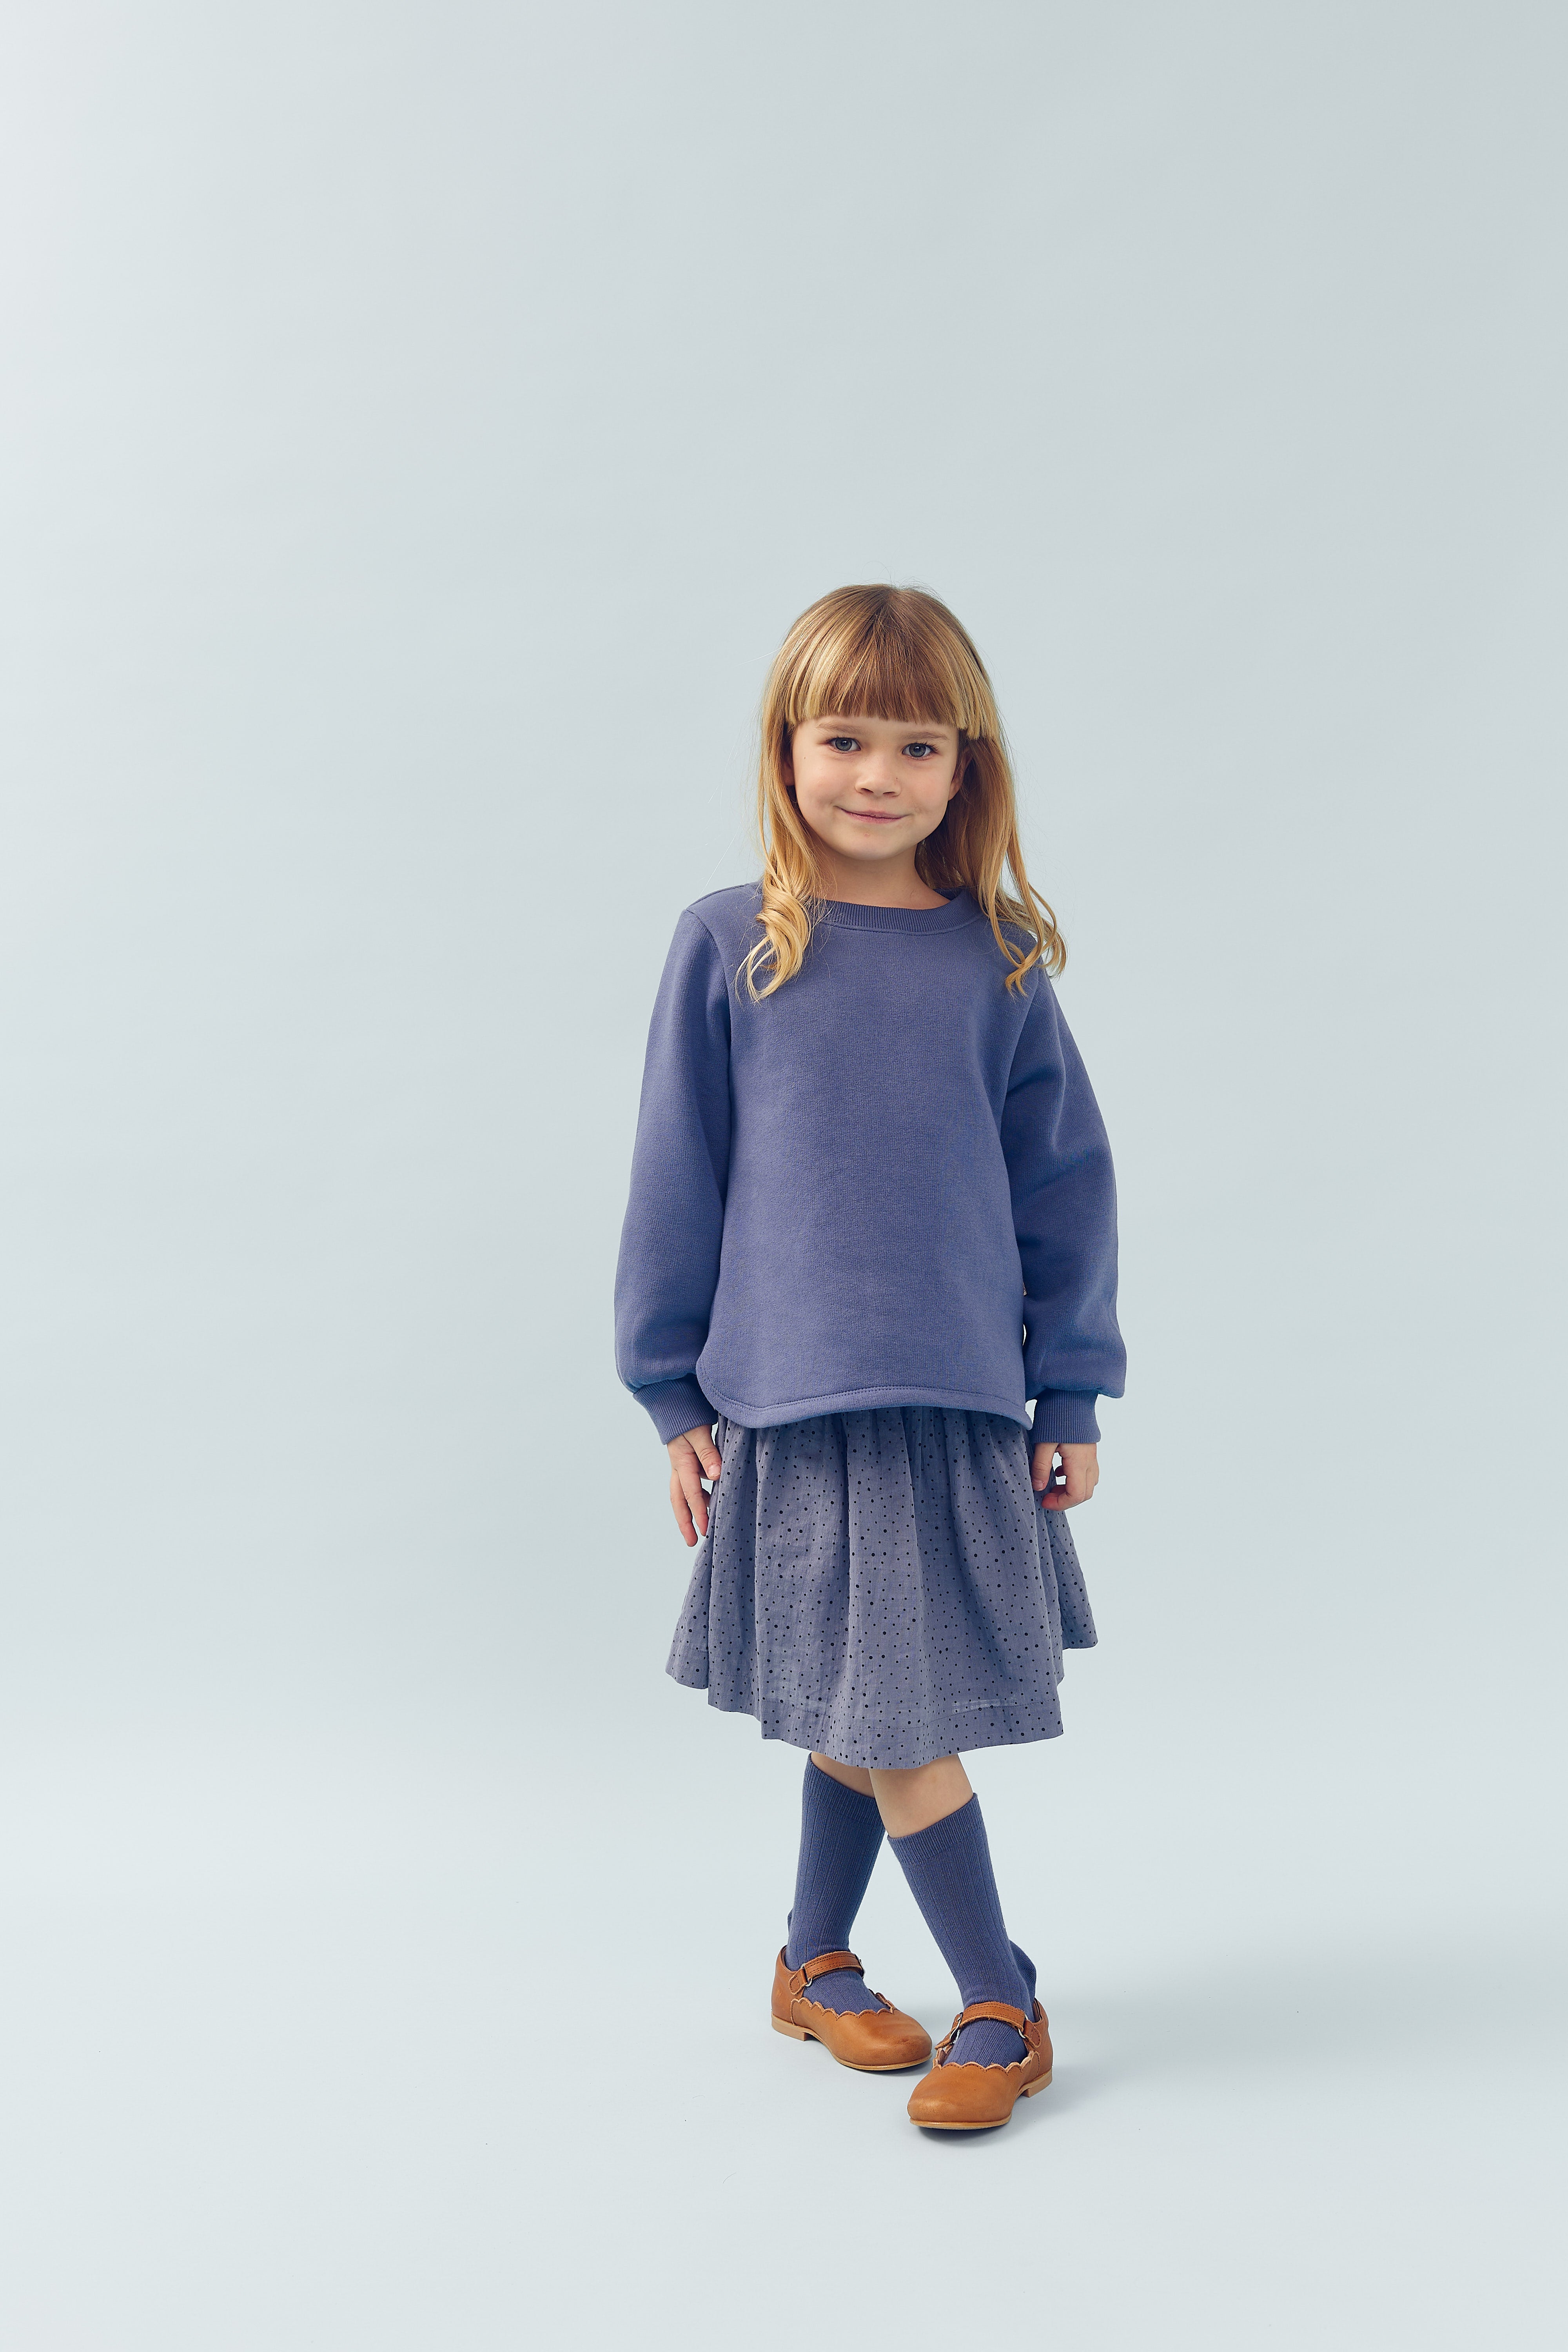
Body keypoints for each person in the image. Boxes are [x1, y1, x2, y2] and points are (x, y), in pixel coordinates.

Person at [614, 584, 1125, 2132]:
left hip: (958, 1397)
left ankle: (814, 1959)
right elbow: (675, 1176)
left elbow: (1065, 1187)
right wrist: (668, 1395)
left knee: (874, 1698)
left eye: (920, 744)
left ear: (965, 768)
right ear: (786, 750)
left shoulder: (999, 961)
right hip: (792, 1403)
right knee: (888, 1706)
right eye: (846, 738)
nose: (879, 776)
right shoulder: (729, 944)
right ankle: (999, 1991)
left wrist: (1072, 1388)